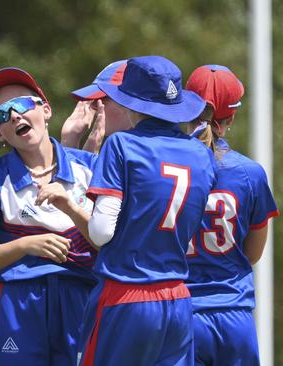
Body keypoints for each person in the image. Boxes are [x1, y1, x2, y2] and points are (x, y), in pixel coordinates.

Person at [73, 55, 217, 366]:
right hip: (177, 298)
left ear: (130, 102)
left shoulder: (121, 145)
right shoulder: (201, 154)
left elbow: (100, 233)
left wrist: (71, 204)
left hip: (126, 297)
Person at [0, 67, 98, 366]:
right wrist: (26, 245)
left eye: (22, 104)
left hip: (81, 299)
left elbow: (113, 244)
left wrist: (72, 209)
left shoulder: (91, 167)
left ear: (45, 109)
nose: (13, 116)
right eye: (1, 115)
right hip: (18, 304)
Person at [184, 64, 279, 366]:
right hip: (234, 315)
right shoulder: (250, 173)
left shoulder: (164, 167)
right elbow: (252, 252)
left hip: (181, 311)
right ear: (232, 115)